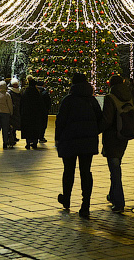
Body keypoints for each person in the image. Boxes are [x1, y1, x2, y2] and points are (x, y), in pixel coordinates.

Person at [55, 73, 104, 218]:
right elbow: (100, 120)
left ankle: (66, 199)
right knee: (85, 172)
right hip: (88, 142)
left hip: (69, 140)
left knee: (68, 171)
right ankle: (85, 204)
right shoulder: (92, 100)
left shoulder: (68, 100)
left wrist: (58, 139)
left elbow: (60, 122)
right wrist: (93, 132)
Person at [102, 75, 134, 213]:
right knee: (116, 165)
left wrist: (97, 129)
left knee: (115, 169)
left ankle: (119, 202)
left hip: (112, 138)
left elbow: (107, 120)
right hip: (124, 135)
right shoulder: (129, 96)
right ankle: (112, 194)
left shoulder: (110, 98)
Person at [20, 76, 43, 149]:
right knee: (35, 128)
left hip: (26, 114)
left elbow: (22, 103)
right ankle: (35, 142)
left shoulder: (25, 92)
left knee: (27, 129)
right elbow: (40, 104)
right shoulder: (37, 93)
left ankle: (28, 143)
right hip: (35, 115)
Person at [7, 78, 22, 148]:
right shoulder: (18, 92)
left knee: (14, 124)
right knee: (12, 125)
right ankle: (12, 138)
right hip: (14, 110)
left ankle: (13, 137)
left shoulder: (10, 92)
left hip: (15, 110)